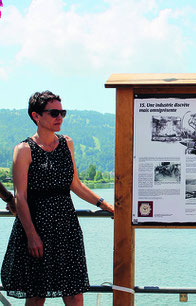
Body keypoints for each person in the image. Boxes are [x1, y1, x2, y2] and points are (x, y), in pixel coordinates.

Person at [1, 91, 115, 305]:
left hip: (66, 227)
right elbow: (21, 197)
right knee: (36, 295)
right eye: (54, 113)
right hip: (37, 228)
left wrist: (105, 204)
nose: (60, 117)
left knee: (74, 294)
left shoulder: (67, 144)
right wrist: (31, 235)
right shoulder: (23, 150)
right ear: (36, 116)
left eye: (62, 112)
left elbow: (76, 185)